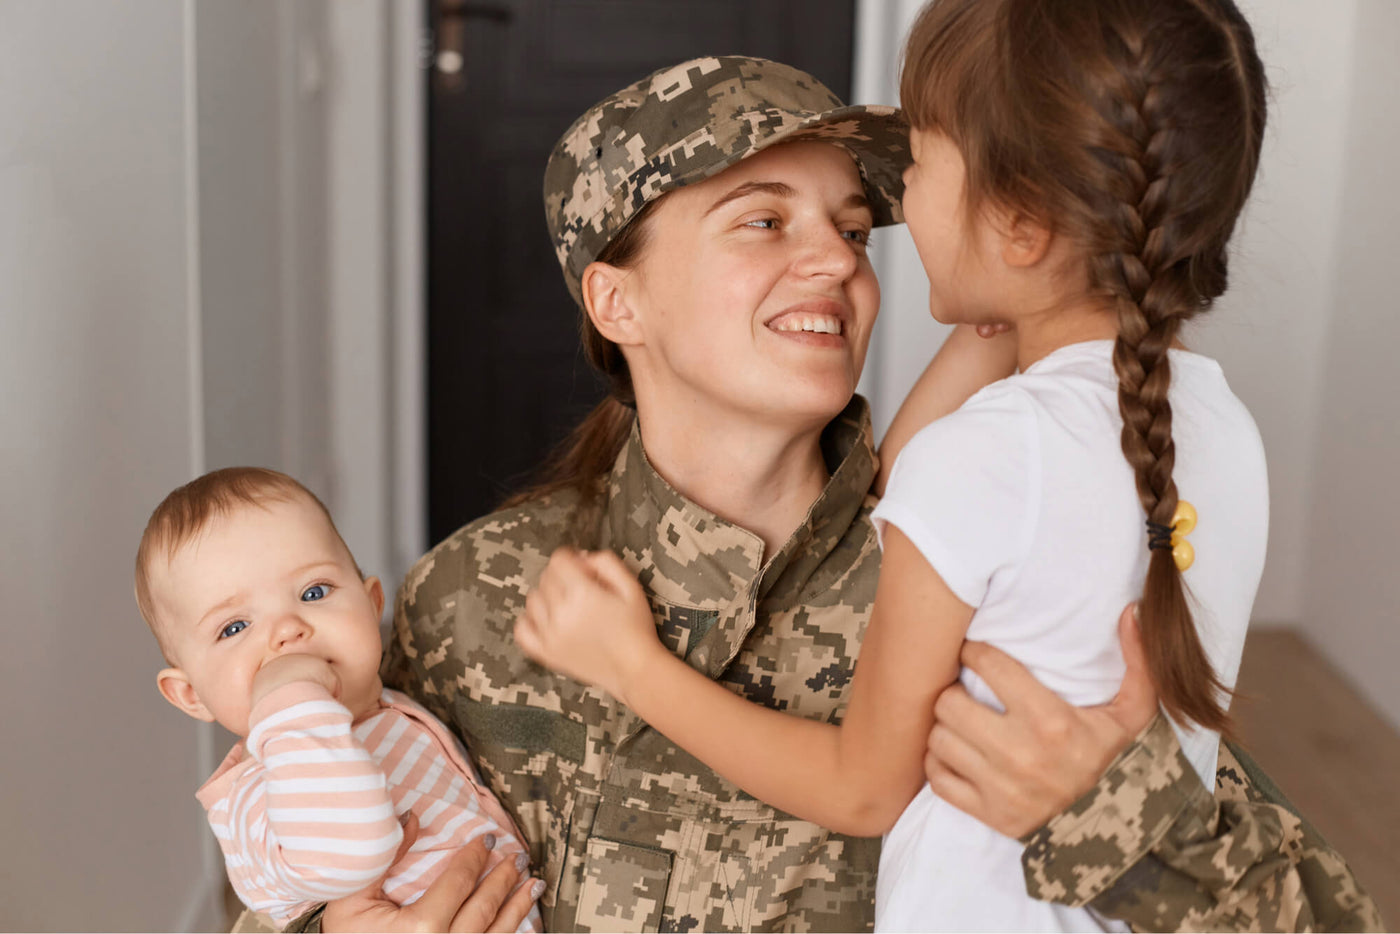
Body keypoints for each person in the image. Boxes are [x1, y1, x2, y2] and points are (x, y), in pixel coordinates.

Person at [315, 56, 1379, 933]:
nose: (835, 258)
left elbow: (1320, 920)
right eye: (761, 221)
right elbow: (303, 854)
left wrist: (1110, 813)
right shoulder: (475, 597)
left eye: (855, 230)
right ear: (615, 299)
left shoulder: (985, 574)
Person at [511, 0, 1293, 930]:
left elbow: (863, 788)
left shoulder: (988, 461)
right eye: (762, 222)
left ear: (1024, 220)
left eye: (911, 171)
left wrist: (632, 666)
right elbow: (923, 477)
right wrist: (1012, 290)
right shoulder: (1219, 432)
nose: (851, 254)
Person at [135, 467, 543, 931]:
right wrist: (288, 699)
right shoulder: (258, 797)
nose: (287, 629)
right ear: (191, 695)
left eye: (314, 592)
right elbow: (350, 853)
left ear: (371, 607)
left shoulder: (389, 710)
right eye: (234, 627)